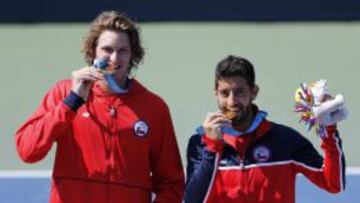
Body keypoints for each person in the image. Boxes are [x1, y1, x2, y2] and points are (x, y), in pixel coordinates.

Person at [15, 10, 184, 203]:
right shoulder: (64, 93)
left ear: (132, 56)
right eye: (107, 49)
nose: (114, 59)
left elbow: (172, 184)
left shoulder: (154, 107)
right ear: (93, 51)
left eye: (122, 51)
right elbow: (27, 151)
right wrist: (72, 102)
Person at [184, 55, 346, 203]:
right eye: (225, 93)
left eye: (240, 92)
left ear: (254, 92)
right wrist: (212, 148)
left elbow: (333, 184)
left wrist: (328, 130)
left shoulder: (285, 140)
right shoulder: (200, 143)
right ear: (216, 94)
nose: (232, 102)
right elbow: (192, 201)